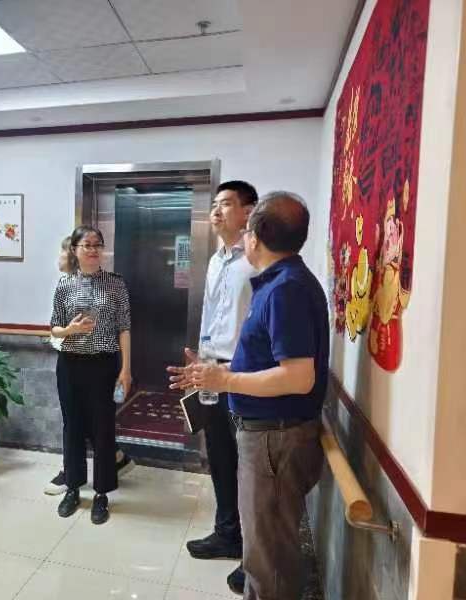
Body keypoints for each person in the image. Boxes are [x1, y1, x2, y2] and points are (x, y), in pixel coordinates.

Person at [169, 192, 328, 600]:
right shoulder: (279, 282)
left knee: (269, 556)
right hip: (271, 433)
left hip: (275, 437)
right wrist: (213, 372)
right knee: (264, 548)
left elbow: (298, 377)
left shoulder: (286, 289)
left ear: (255, 236)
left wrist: (226, 381)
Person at [182, 181, 258, 578]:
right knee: (221, 458)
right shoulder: (216, 260)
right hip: (211, 371)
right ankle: (227, 533)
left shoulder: (258, 259)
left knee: (250, 468)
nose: (216, 211)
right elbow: (211, 314)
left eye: (226, 204)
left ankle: (255, 554)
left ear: (248, 211)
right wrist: (200, 360)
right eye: (214, 204)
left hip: (242, 375)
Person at [50, 225, 131, 525]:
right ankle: (73, 488)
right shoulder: (64, 284)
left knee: (103, 429)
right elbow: (54, 328)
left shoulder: (116, 284)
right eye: (87, 245)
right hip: (70, 364)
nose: (94, 250)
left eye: (98, 245)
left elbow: (124, 328)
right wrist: (70, 330)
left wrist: (126, 368)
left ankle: (102, 493)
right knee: (72, 426)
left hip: (104, 365)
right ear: (75, 250)